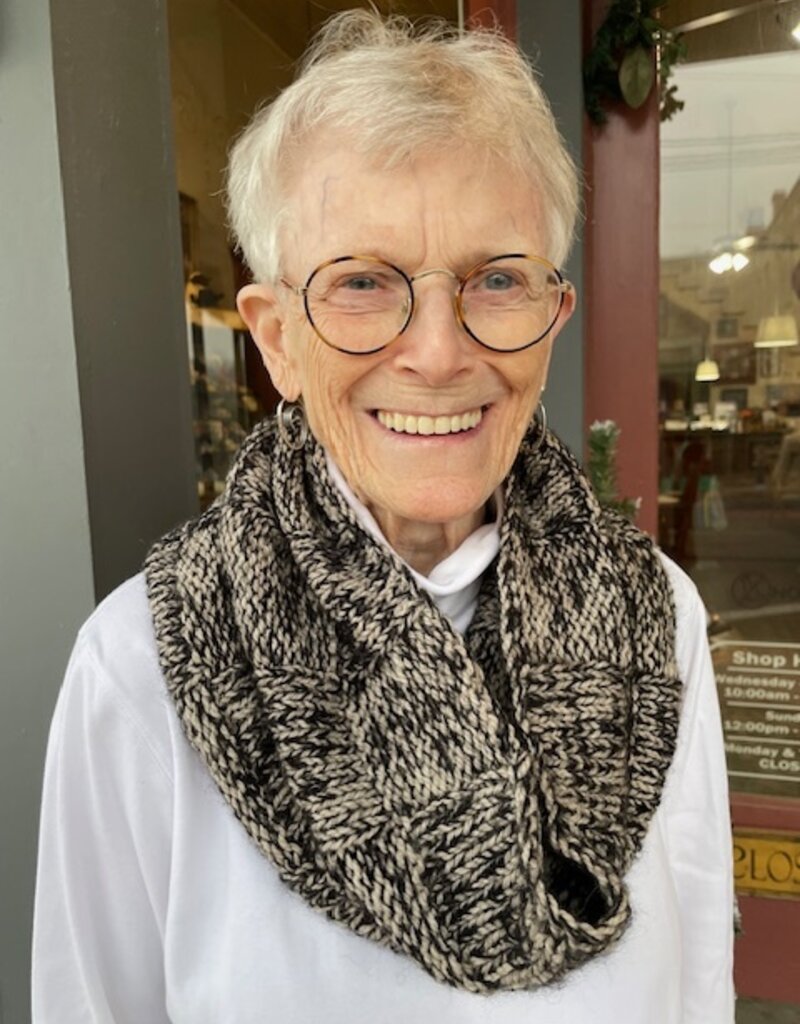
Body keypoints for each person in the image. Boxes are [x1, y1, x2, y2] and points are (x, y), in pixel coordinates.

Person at [33, 11, 734, 1022]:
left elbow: (699, 960)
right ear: (274, 338)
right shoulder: (142, 664)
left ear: (551, 318)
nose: (439, 353)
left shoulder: (654, 618)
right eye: (362, 283)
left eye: (496, 278)